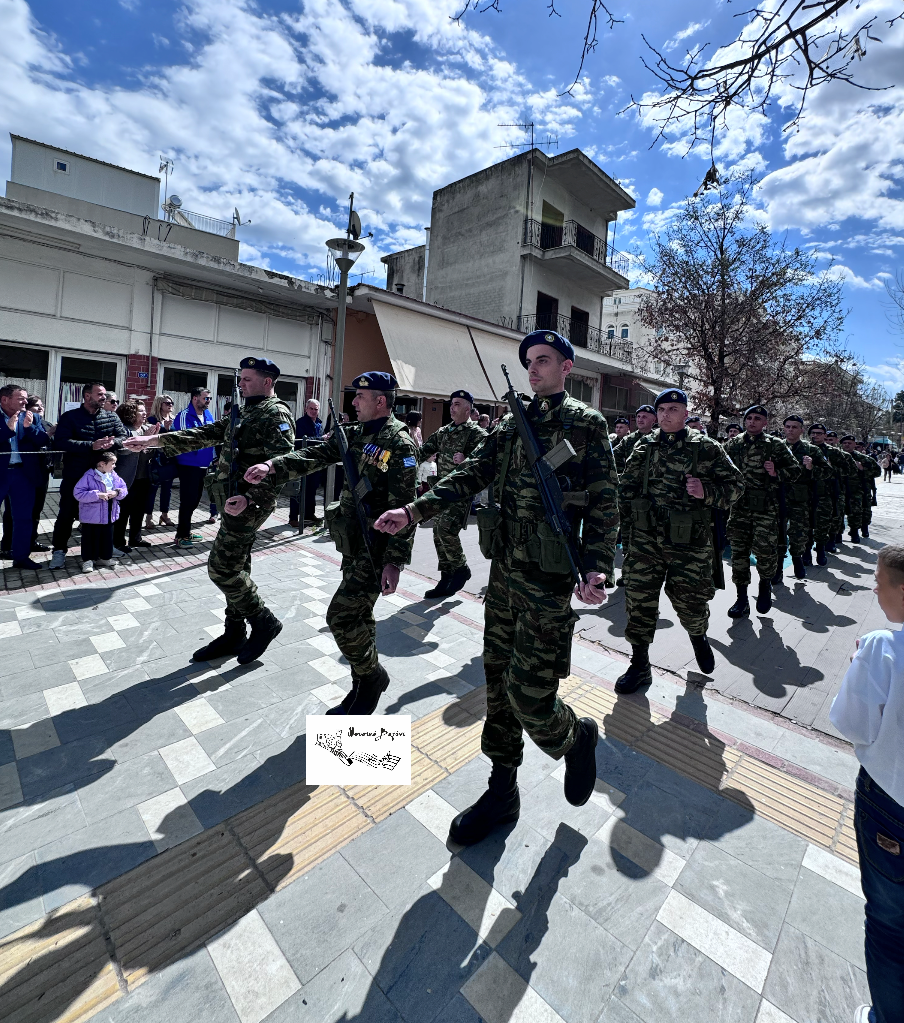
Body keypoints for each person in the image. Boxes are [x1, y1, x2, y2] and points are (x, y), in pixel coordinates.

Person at [374, 330, 618, 845]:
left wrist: (596, 567)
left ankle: (575, 737)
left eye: (545, 360)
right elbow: (468, 475)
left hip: (549, 579)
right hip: (504, 574)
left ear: (567, 367)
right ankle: (502, 791)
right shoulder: (511, 423)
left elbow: (604, 502)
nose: (534, 369)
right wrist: (414, 510)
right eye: (529, 361)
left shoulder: (585, 423)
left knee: (531, 698)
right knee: (498, 690)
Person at [244, 371, 418, 715]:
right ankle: (360, 686)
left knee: (339, 617)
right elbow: (314, 456)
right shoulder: (354, 434)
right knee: (359, 619)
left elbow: (406, 506)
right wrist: (272, 466)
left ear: (380, 401)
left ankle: (372, 679)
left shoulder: (399, 443)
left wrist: (395, 562)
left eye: (360, 397)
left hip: (377, 548)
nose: (352, 403)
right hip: (353, 544)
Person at [124, 357, 295, 664]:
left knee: (222, 567)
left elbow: (282, 465)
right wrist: (153, 440)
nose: (240, 384)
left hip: (250, 501)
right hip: (233, 497)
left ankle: (263, 621)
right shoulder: (247, 410)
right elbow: (207, 433)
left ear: (267, 382)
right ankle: (234, 632)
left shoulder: (276, 413)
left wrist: (250, 498)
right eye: (241, 378)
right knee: (237, 565)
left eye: (247, 379)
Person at [616, 388, 744, 692]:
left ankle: (698, 636)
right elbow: (626, 490)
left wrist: (707, 492)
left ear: (686, 414)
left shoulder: (707, 448)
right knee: (638, 601)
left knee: (691, 601)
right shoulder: (643, 448)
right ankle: (639, 663)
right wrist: (624, 533)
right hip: (645, 540)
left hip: (689, 542)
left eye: (674, 409)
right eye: (661, 410)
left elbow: (737, 485)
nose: (665, 415)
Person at [829, 544, 904, 1023]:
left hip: (890, 806)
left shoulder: (882, 648)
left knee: (888, 925)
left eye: (881, 581)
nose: (873, 588)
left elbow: (852, 724)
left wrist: (859, 665)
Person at [723, 405, 800, 617]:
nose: (752, 422)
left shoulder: (775, 445)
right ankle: (741, 598)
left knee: (765, 552)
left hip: (765, 509)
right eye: (749, 418)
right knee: (738, 554)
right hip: (739, 508)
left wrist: (776, 472)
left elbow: (795, 471)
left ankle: (765, 584)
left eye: (757, 418)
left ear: (765, 423)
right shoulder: (733, 444)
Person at [48, 382, 129, 570]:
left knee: (104, 515)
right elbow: (61, 442)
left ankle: (104, 550)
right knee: (67, 514)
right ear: (87, 396)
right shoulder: (70, 417)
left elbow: (123, 437)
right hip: (76, 475)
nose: (104, 397)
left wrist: (112, 444)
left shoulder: (111, 416)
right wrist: (90, 445)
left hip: (103, 477)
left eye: (104, 394)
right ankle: (59, 551)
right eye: (99, 394)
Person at [417, 389, 487, 597]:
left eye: (457, 404)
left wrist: (466, 459)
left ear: (468, 409)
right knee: (438, 533)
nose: (452, 407)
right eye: (451, 403)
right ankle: (447, 577)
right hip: (441, 490)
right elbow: (423, 450)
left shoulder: (477, 434)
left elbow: (486, 462)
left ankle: (461, 569)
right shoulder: (443, 432)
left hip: (461, 492)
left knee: (445, 530)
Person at [0, 384, 51, 570]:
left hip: (23, 474)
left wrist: (29, 428)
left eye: (25, 398)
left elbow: (43, 440)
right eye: (20, 398)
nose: (25, 401)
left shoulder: (32, 416)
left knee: (24, 518)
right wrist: (8, 429)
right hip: (1, 473)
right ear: (5, 400)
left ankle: (21, 557)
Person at [777, 415, 834, 579]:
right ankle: (778, 567)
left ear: (801, 430)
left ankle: (797, 560)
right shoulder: (776, 447)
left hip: (800, 499)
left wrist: (812, 468)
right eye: (787, 426)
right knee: (777, 532)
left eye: (794, 427)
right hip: (778, 497)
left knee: (798, 533)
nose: (790, 430)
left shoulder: (811, 450)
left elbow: (828, 471)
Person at [612, 403, 657, 588]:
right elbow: (612, 457)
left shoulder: (659, 440)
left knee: (651, 537)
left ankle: (650, 573)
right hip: (630, 498)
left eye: (645, 416)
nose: (640, 419)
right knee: (629, 535)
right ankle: (628, 572)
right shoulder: (629, 440)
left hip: (652, 499)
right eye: (638, 416)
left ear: (654, 420)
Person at [171, 387, 217, 549]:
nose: (208, 401)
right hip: (188, 465)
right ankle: (181, 535)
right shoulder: (184, 415)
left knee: (195, 500)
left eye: (210, 398)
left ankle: (187, 531)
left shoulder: (208, 415)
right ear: (195, 398)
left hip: (204, 464)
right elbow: (186, 440)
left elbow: (213, 436)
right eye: (206, 398)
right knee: (187, 500)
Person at [112, 400, 158, 553]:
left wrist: (154, 439)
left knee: (139, 510)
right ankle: (118, 541)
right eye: (141, 411)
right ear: (130, 413)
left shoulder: (147, 428)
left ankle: (135, 538)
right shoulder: (124, 430)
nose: (145, 414)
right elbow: (123, 451)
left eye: (145, 411)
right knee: (123, 511)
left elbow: (152, 451)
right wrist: (144, 437)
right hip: (127, 478)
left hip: (144, 476)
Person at [73, 451, 127, 572]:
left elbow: (124, 488)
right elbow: (78, 493)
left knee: (107, 537)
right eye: (112, 463)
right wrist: (97, 495)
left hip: (109, 513)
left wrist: (116, 492)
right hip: (91, 516)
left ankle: (104, 558)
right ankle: (88, 561)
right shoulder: (88, 476)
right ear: (102, 464)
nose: (114, 466)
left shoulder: (113, 475)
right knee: (90, 538)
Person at [290, 398, 323, 527]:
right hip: (302, 461)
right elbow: (301, 441)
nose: (314, 411)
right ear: (306, 409)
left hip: (315, 462)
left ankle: (309, 514)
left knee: (312, 489)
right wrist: (321, 439)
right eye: (311, 409)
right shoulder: (300, 423)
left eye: (316, 409)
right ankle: (293, 517)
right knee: (298, 490)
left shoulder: (319, 423)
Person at [826, 430, 863, 543]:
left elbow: (852, 471)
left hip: (850, 489)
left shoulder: (844, 456)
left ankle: (854, 531)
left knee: (851, 511)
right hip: (831, 489)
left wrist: (863, 469)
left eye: (831, 440)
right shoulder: (819, 452)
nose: (829, 442)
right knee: (835, 513)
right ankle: (836, 535)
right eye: (827, 440)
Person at [145, 395, 176, 530]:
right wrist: (164, 429)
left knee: (167, 489)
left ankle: (165, 514)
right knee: (152, 489)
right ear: (159, 404)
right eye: (167, 403)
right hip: (156, 459)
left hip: (170, 459)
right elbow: (152, 439)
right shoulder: (152, 420)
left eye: (171, 403)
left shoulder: (174, 419)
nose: (170, 405)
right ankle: (148, 517)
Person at [844, 436, 881, 540]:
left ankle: (864, 529)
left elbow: (877, 472)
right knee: (851, 512)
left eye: (849, 443)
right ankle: (852, 531)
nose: (847, 445)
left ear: (854, 444)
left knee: (865, 511)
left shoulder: (864, 458)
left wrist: (863, 469)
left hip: (862, 490)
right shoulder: (839, 457)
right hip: (845, 489)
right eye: (845, 443)